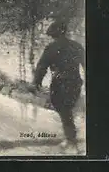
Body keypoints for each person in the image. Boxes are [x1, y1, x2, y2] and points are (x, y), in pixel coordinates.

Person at [32, 20, 85, 154]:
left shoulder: (51, 48)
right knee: (67, 110)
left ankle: (72, 142)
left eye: (52, 36)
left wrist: (36, 82)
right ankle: (70, 139)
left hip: (60, 83)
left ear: (55, 35)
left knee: (64, 110)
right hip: (75, 82)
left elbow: (42, 67)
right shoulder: (77, 46)